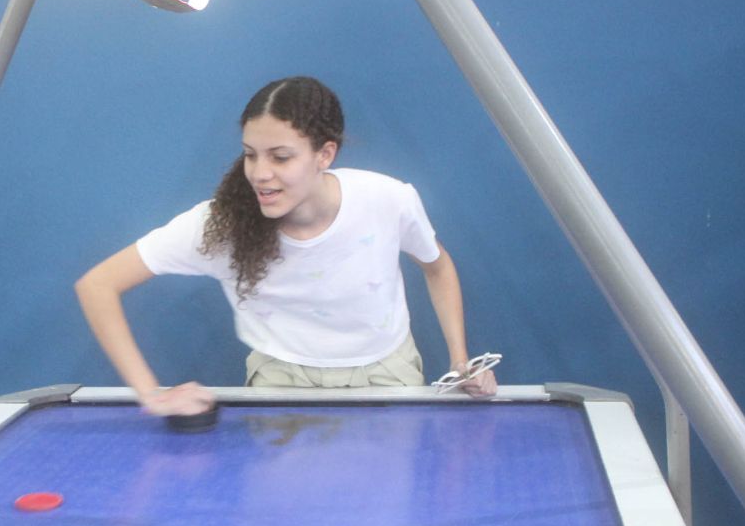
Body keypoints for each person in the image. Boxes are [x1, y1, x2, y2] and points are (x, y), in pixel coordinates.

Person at [75, 76, 496, 418]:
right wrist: (151, 394)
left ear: (324, 154)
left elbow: (438, 267)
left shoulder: (388, 199)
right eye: (250, 155)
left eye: (280, 157)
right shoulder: (221, 225)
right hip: (280, 382)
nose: (260, 173)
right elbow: (97, 285)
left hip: (388, 374)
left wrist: (460, 360)